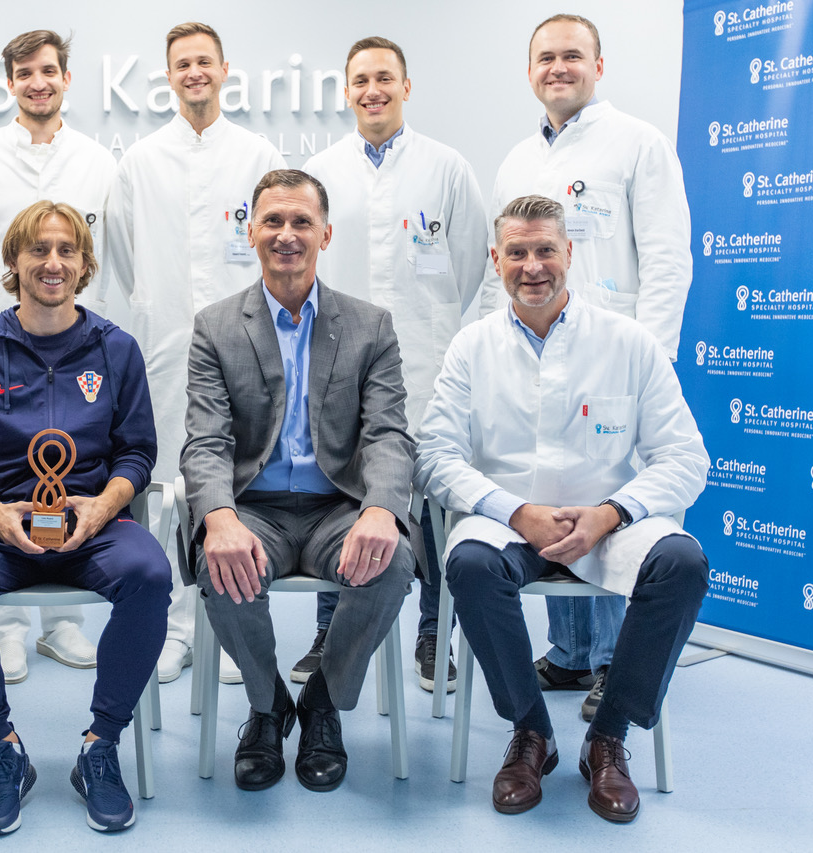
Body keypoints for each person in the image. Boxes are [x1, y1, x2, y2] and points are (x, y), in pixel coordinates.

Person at [415, 194, 708, 822]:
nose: (532, 266)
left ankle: (609, 736)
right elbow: (434, 454)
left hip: (607, 521)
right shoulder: (472, 347)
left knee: (682, 564)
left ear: (570, 253)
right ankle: (532, 732)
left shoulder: (628, 342)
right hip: (509, 522)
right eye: (516, 252)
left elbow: (686, 457)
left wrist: (611, 513)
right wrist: (515, 510)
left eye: (545, 249)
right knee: (468, 565)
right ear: (496, 260)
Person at [0, 201, 170, 835]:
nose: (52, 263)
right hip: (1, 525)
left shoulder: (117, 349)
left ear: (85, 264)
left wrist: (105, 506)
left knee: (149, 574)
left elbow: (138, 451)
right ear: (13, 261)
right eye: (38, 249)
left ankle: (100, 746)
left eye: (66, 250)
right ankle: (2, 748)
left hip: (94, 526)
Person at [477, 13, 694, 720]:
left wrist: (650, 360)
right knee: (549, 490)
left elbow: (667, 258)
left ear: (599, 66)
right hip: (536, 353)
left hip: (616, 363)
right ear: (529, 71)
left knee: (605, 506)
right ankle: (570, 655)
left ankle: (609, 663)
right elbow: (503, 269)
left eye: (572, 55)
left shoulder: (638, 144)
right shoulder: (517, 160)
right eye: (545, 57)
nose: (558, 67)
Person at [181, 169, 418, 792]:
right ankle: (267, 708)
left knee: (393, 561)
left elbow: (388, 435)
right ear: (251, 231)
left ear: (325, 234)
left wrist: (381, 509)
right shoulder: (215, 327)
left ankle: (321, 701)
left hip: (338, 506)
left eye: (302, 222)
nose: (287, 234)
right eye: (273, 221)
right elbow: (206, 440)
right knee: (218, 563)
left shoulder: (370, 326)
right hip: (254, 506)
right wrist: (219, 517)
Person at [301, 36, 487, 692]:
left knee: (433, 503)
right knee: (339, 496)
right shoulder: (320, 171)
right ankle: (329, 629)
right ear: (347, 91)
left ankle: (435, 633)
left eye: (384, 78)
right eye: (360, 80)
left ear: (406, 87)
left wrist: (435, 328)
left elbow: (471, 265)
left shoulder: (447, 168)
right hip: (338, 364)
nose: (372, 90)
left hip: (425, 363)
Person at [106, 22, 285, 684]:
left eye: (204, 61)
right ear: (169, 75)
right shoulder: (141, 161)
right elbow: (124, 255)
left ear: (224, 69)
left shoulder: (258, 153)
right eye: (182, 64)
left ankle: (235, 628)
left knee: (242, 484)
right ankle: (174, 630)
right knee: (169, 488)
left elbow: (280, 246)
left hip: (248, 346)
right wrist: (158, 307)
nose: (194, 73)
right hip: (168, 345)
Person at [0, 29, 116, 682]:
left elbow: (110, 262)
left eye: (49, 70)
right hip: (1, 345)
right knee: (7, 465)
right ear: (10, 82)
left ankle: (64, 622)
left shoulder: (99, 162)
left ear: (66, 78)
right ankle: (7, 627)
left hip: (77, 347)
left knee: (73, 458)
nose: (38, 82)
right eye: (25, 73)